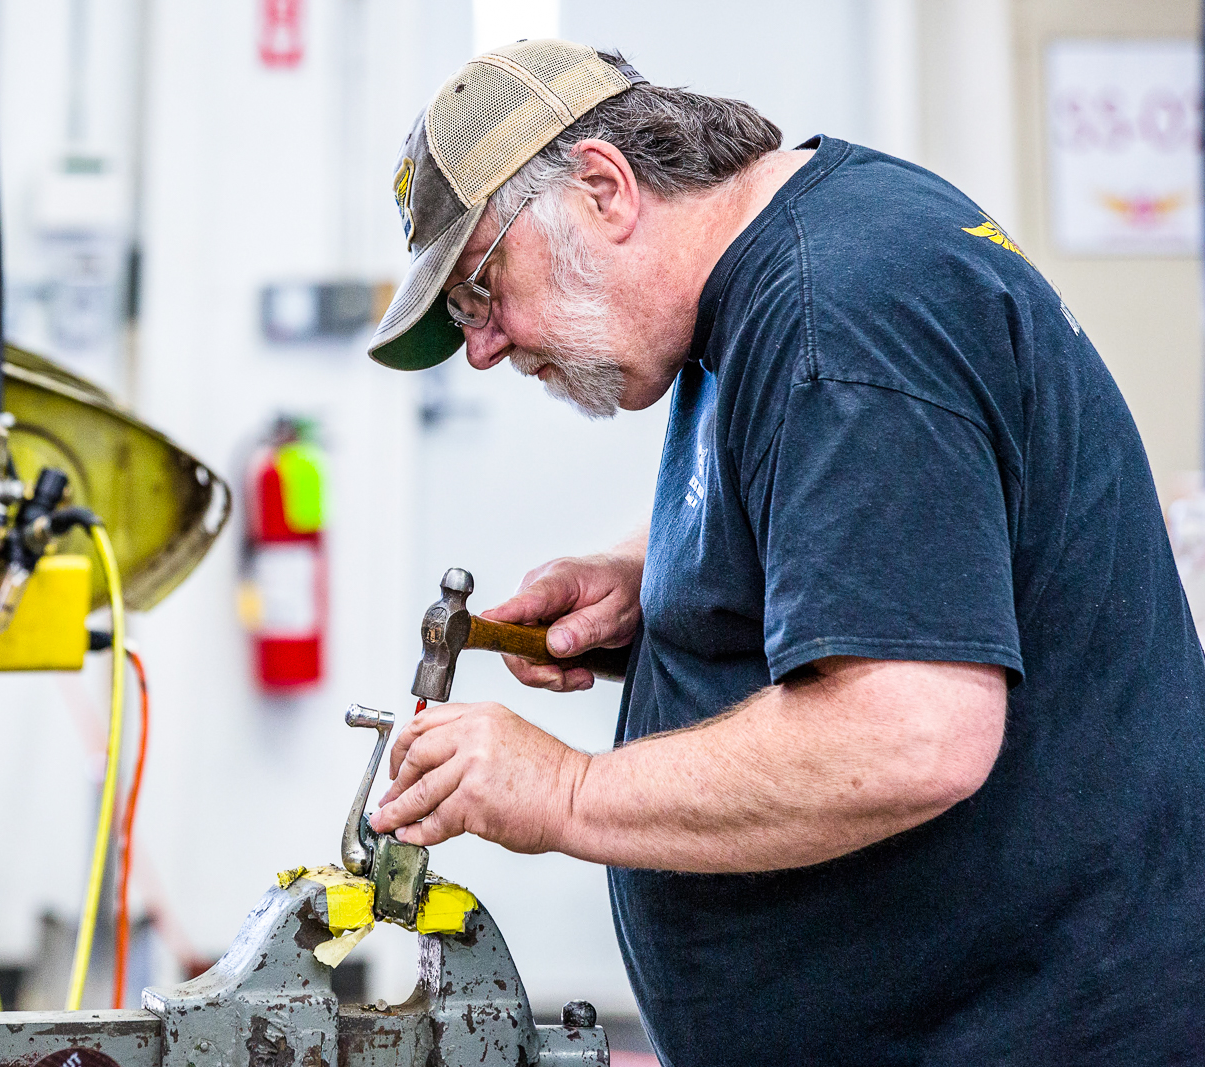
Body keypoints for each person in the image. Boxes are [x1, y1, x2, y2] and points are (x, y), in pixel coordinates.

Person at [364, 39, 1205, 1064]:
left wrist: (561, 790)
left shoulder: (839, 313)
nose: (485, 346)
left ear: (603, 186)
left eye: (482, 288)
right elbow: (887, 513)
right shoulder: (804, 265)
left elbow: (909, 735)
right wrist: (657, 574)